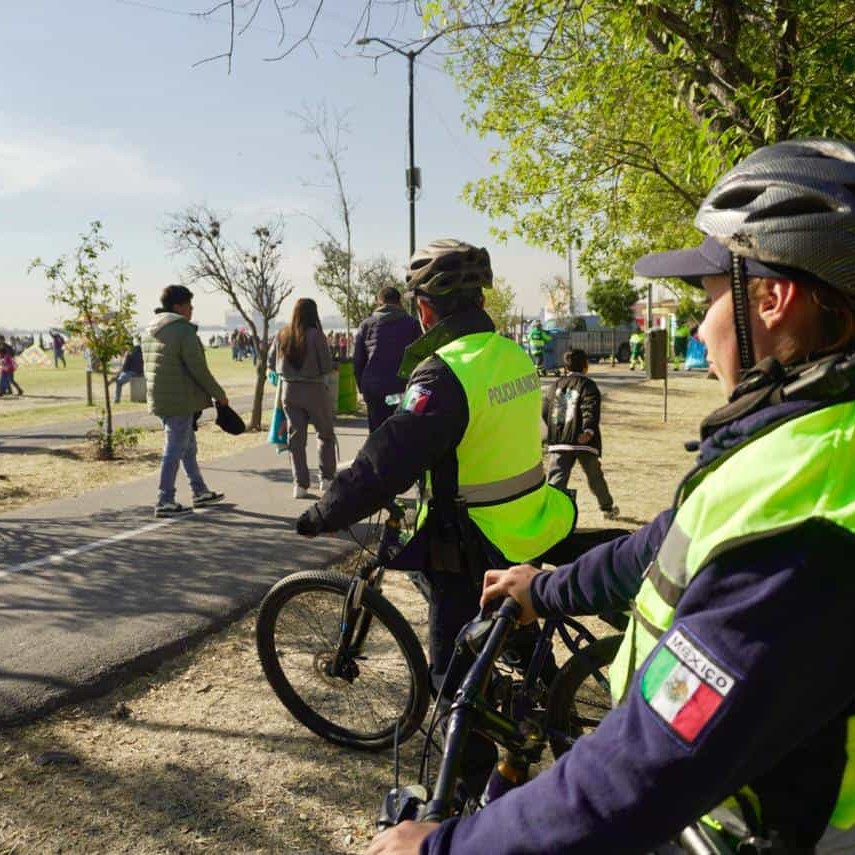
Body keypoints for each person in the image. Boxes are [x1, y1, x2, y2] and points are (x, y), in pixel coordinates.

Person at [368, 139, 855, 855]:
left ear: (771, 298)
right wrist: (548, 586)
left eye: (709, 298)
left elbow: (645, 766)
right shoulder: (801, 437)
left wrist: (439, 848)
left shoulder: (811, 514)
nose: (697, 326)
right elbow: (668, 538)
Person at [296, 239, 604, 796]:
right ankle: (543, 685)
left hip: (473, 542)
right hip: (530, 520)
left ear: (425, 308)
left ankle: (472, 788)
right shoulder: (510, 353)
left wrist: (325, 513)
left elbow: (383, 462)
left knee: (451, 677)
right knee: (515, 632)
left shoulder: (443, 374)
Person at [142, 285, 228, 518]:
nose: (192, 309)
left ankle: (199, 490)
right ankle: (165, 499)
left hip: (160, 397)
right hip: (179, 398)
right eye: (189, 305)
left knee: (188, 448)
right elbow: (198, 368)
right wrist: (218, 393)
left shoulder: (150, 329)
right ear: (178, 307)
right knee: (174, 448)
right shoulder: (182, 330)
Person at [544, 348, 619, 520]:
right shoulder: (588, 385)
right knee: (595, 477)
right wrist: (588, 429)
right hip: (584, 441)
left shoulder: (554, 386)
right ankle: (607, 508)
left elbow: (545, 410)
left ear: (565, 367)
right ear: (586, 366)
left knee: (556, 479)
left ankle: (549, 513)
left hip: (560, 441)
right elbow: (590, 407)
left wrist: (555, 428)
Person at [274, 298, 337, 499]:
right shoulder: (316, 335)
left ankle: (300, 484)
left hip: (289, 391)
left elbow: (271, 363)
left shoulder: (282, 334)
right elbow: (326, 366)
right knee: (325, 434)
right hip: (314, 390)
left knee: (296, 438)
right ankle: (326, 478)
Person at [353, 285, 422, 432]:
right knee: (402, 432)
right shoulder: (412, 324)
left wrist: (363, 387)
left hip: (374, 391)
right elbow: (421, 358)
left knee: (377, 434)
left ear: (379, 302)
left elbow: (358, 361)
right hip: (402, 389)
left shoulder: (366, 325)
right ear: (400, 302)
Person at [113, 338, 144, 403]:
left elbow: (125, 366)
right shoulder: (141, 350)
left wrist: (119, 374)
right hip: (141, 372)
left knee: (118, 382)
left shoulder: (129, 352)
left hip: (132, 372)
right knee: (120, 376)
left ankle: (116, 399)